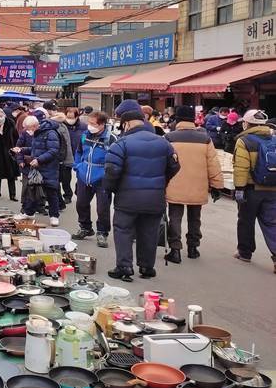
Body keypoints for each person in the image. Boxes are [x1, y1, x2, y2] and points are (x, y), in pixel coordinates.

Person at [103, 100, 180, 282]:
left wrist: (113, 188)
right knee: (149, 232)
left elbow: (112, 171)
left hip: (127, 197)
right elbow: (175, 166)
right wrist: (162, 182)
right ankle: (147, 267)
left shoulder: (121, 144)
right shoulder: (164, 143)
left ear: (126, 123)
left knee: (123, 230)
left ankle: (125, 266)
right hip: (155, 198)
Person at [164, 106, 224, 264]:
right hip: (198, 185)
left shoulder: (169, 137)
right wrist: (217, 185)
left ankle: (175, 249)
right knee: (195, 218)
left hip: (174, 183)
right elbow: (213, 164)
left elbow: (162, 162)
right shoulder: (205, 138)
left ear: (177, 119)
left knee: (175, 217)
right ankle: (193, 248)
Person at [232, 110, 276, 273]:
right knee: (271, 223)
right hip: (272, 189)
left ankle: (245, 252)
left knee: (246, 220)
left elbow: (241, 168)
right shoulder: (274, 139)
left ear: (247, 123)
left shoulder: (245, 141)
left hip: (252, 189)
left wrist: (239, 189)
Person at [72, 111, 116, 248]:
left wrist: (107, 173)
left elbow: (116, 159)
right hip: (84, 174)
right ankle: (85, 227)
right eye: (89, 122)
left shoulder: (111, 138)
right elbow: (79, 151)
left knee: (102, 208)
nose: (89, 126)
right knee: (81, 203)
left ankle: (102, 232)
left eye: (93, 124)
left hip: (102, 177)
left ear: (102, 124)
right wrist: (78, 166)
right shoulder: (85, 135)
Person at [15, 114, 62, 226]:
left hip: (49, 167)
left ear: (35, 125)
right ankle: (29, 212)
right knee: (32, 191)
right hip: (38, 167)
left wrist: (39, 160)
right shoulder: (38, 132)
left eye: (28, 128)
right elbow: (35, 150)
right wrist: (21, 150)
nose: (27, 131)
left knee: (51, 192)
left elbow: (53, 151)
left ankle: (54, 216)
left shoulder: (51, 133)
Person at [50, 111, 75, 205]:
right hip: (63, 158)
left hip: (65, 159)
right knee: (61, 180)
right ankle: (62, 198)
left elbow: (64, 145)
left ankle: (67, 196)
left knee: (65, 180)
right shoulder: (61, 127)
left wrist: (61, 159)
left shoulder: (61, 128)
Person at [62, 108, 85, 202]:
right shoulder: (62, 126)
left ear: (77, 116)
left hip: (80, 154)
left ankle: (78, 191)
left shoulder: (84, 127)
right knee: (65, 177)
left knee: (80, 174)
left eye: (72, 117)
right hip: (67, 154)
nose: (70, 119)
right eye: (68, 116)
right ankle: (67, 195)